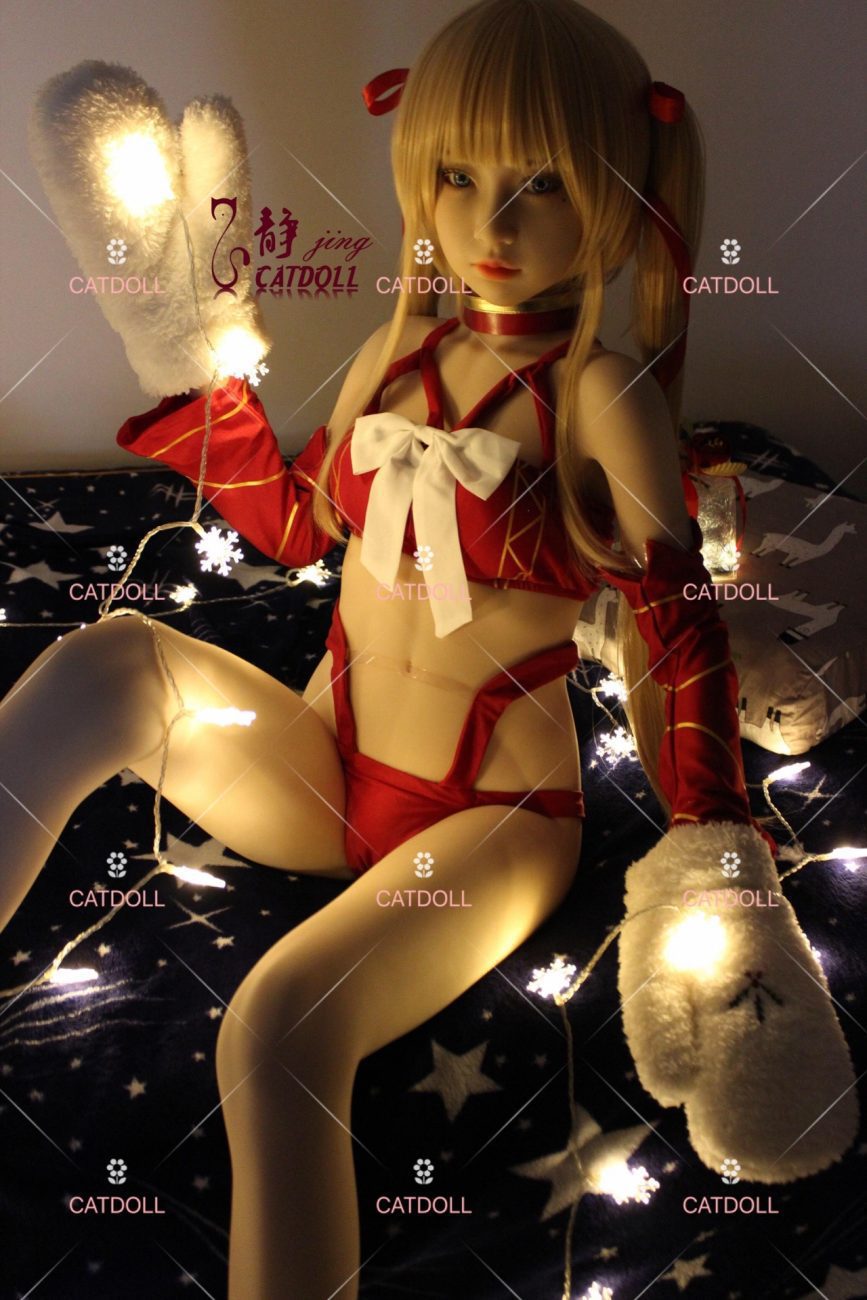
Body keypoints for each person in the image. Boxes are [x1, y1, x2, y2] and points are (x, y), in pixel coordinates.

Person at [6, 1, 857, 1296]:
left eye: (541, 183)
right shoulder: (396, 351)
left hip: (491, 817)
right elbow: (297, 527)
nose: (490, 223)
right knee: (113, 654)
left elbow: (676, 625)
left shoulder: (600, 392)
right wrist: (194, 371)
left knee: (277, 1032)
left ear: (617, 190)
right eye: (457, 174)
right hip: (323, 763)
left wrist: (718, 856)